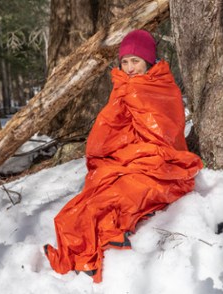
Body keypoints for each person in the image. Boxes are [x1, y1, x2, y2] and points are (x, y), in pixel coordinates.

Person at [43, 29, 203, 283]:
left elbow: (164, 132)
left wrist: (133, 97)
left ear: (148, 62)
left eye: (135, 61)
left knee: (112, 203)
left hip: (160, 165)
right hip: (126, 162)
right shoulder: (124, 88)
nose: (129, 68)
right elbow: (110, 131)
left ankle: (92, 255)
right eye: (125, 62)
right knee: (73, 213)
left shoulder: (162, 88)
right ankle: (83, 259)